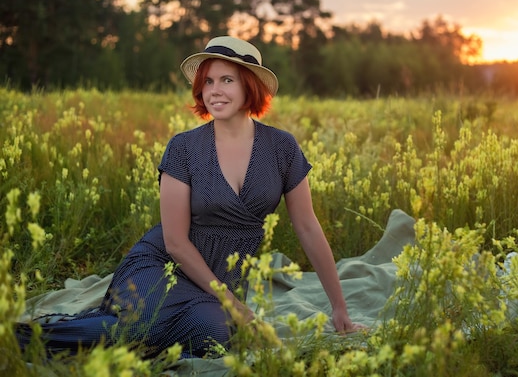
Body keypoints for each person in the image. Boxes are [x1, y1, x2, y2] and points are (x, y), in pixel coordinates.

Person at [17, 36, 361, 358]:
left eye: (227, 80)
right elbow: (175, 242)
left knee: (213, 337)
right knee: (140, 328)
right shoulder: (184, 147)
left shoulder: (282, 147)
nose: (215, 91)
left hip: (223, 276)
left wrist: (340, 308)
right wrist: (231, 302)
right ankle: (23, 340)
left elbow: (307, 227)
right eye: (208, 82)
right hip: (165, 264)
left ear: (249, 86)